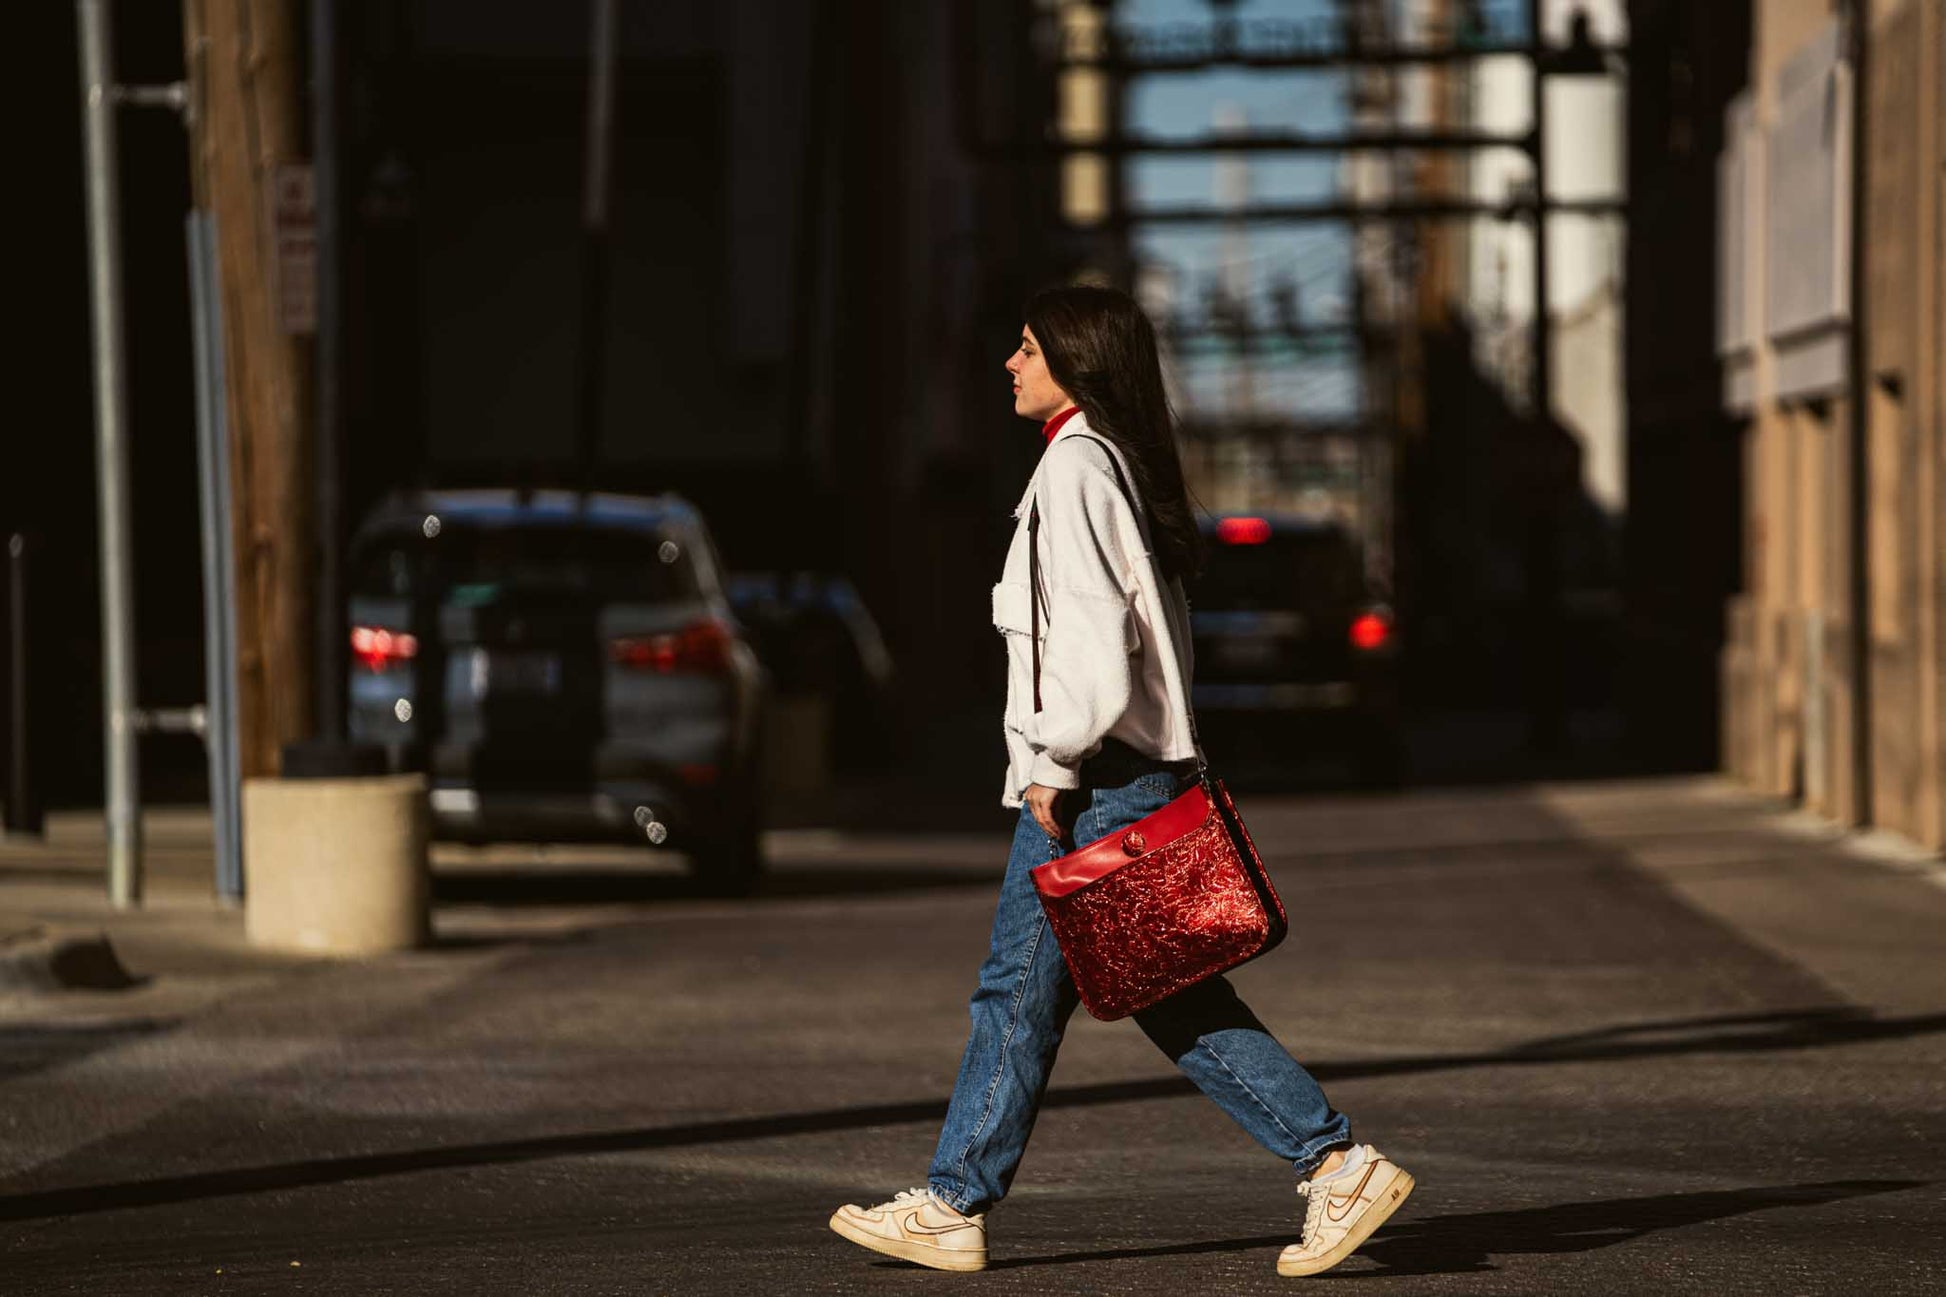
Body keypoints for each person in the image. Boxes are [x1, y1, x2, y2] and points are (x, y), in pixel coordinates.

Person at [828, 285, 1413, 1278]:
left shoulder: (1074, 469)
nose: (1007, 365)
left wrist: (1050, 763)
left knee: (1035, 990)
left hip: (1095, 781)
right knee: (1116, 994)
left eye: (1024, 349)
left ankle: (1329, 1160)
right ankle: (963, 1197)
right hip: (1119, 777)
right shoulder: (1106, 464)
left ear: (1074, 359)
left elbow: (1093, 653)